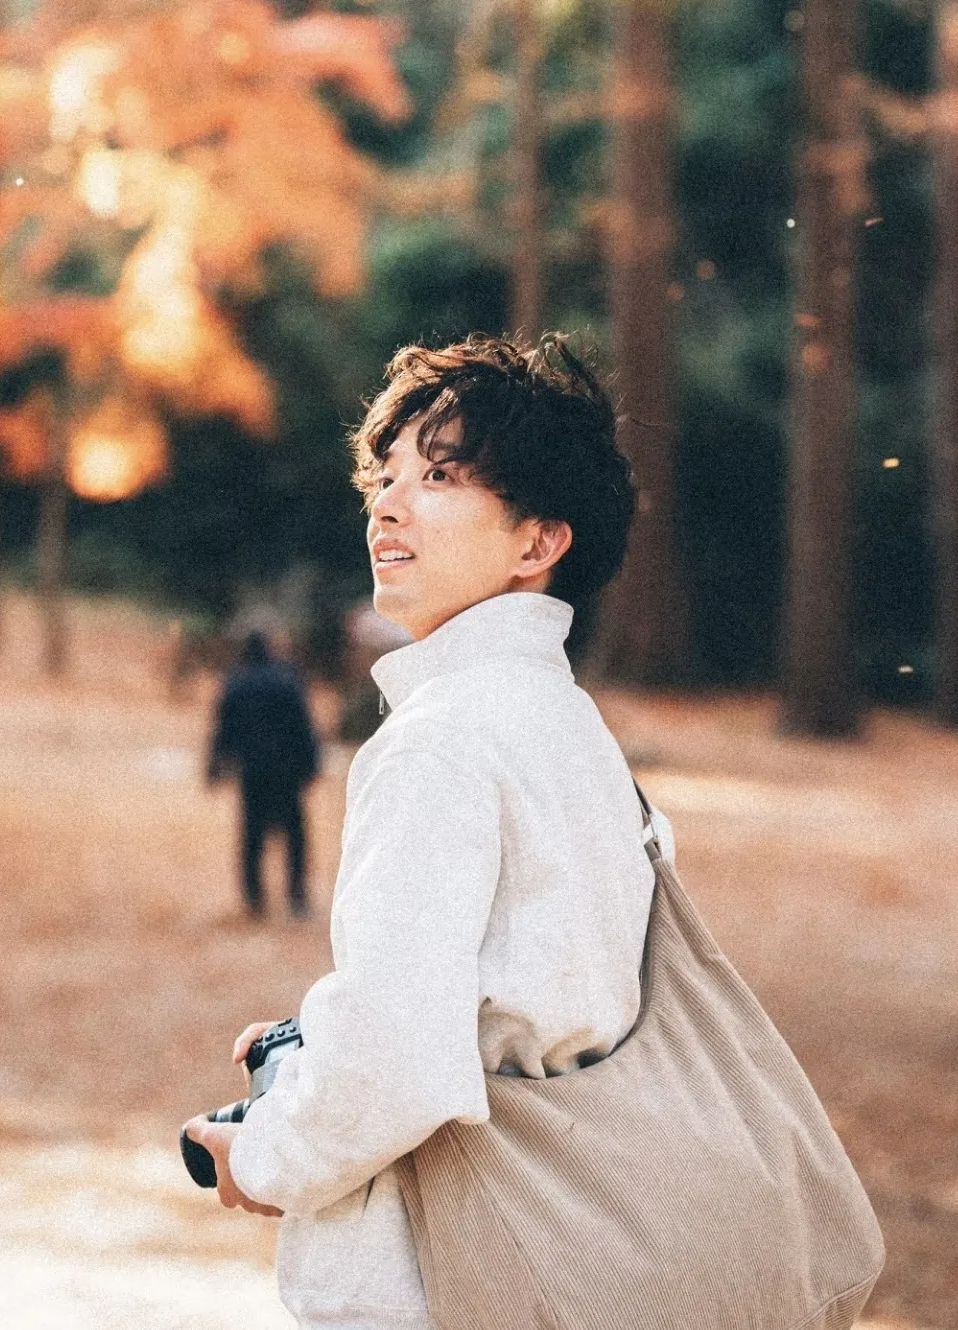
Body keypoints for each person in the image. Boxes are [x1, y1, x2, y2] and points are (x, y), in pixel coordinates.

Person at [186, 334, 676, 1326]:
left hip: (442, 1277)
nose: (388, 504)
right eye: (387, 476)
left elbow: (401, 1061)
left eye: (441, 476)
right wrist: (318, 1046)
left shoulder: (441, 742)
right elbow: (528, 1005)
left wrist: (264, 1153)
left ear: (538, 543)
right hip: (571, 1250)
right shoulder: (575, 733)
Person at [207, 629, 320, 919]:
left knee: (252, 835)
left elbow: (223, 729)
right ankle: (296, 895)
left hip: (253, 770)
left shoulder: (237, 682)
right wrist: (311, 764)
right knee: (294, 835)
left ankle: (254, 897)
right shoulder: (287, 681)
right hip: (286, 771)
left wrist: (215, 766)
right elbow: (303, 726)